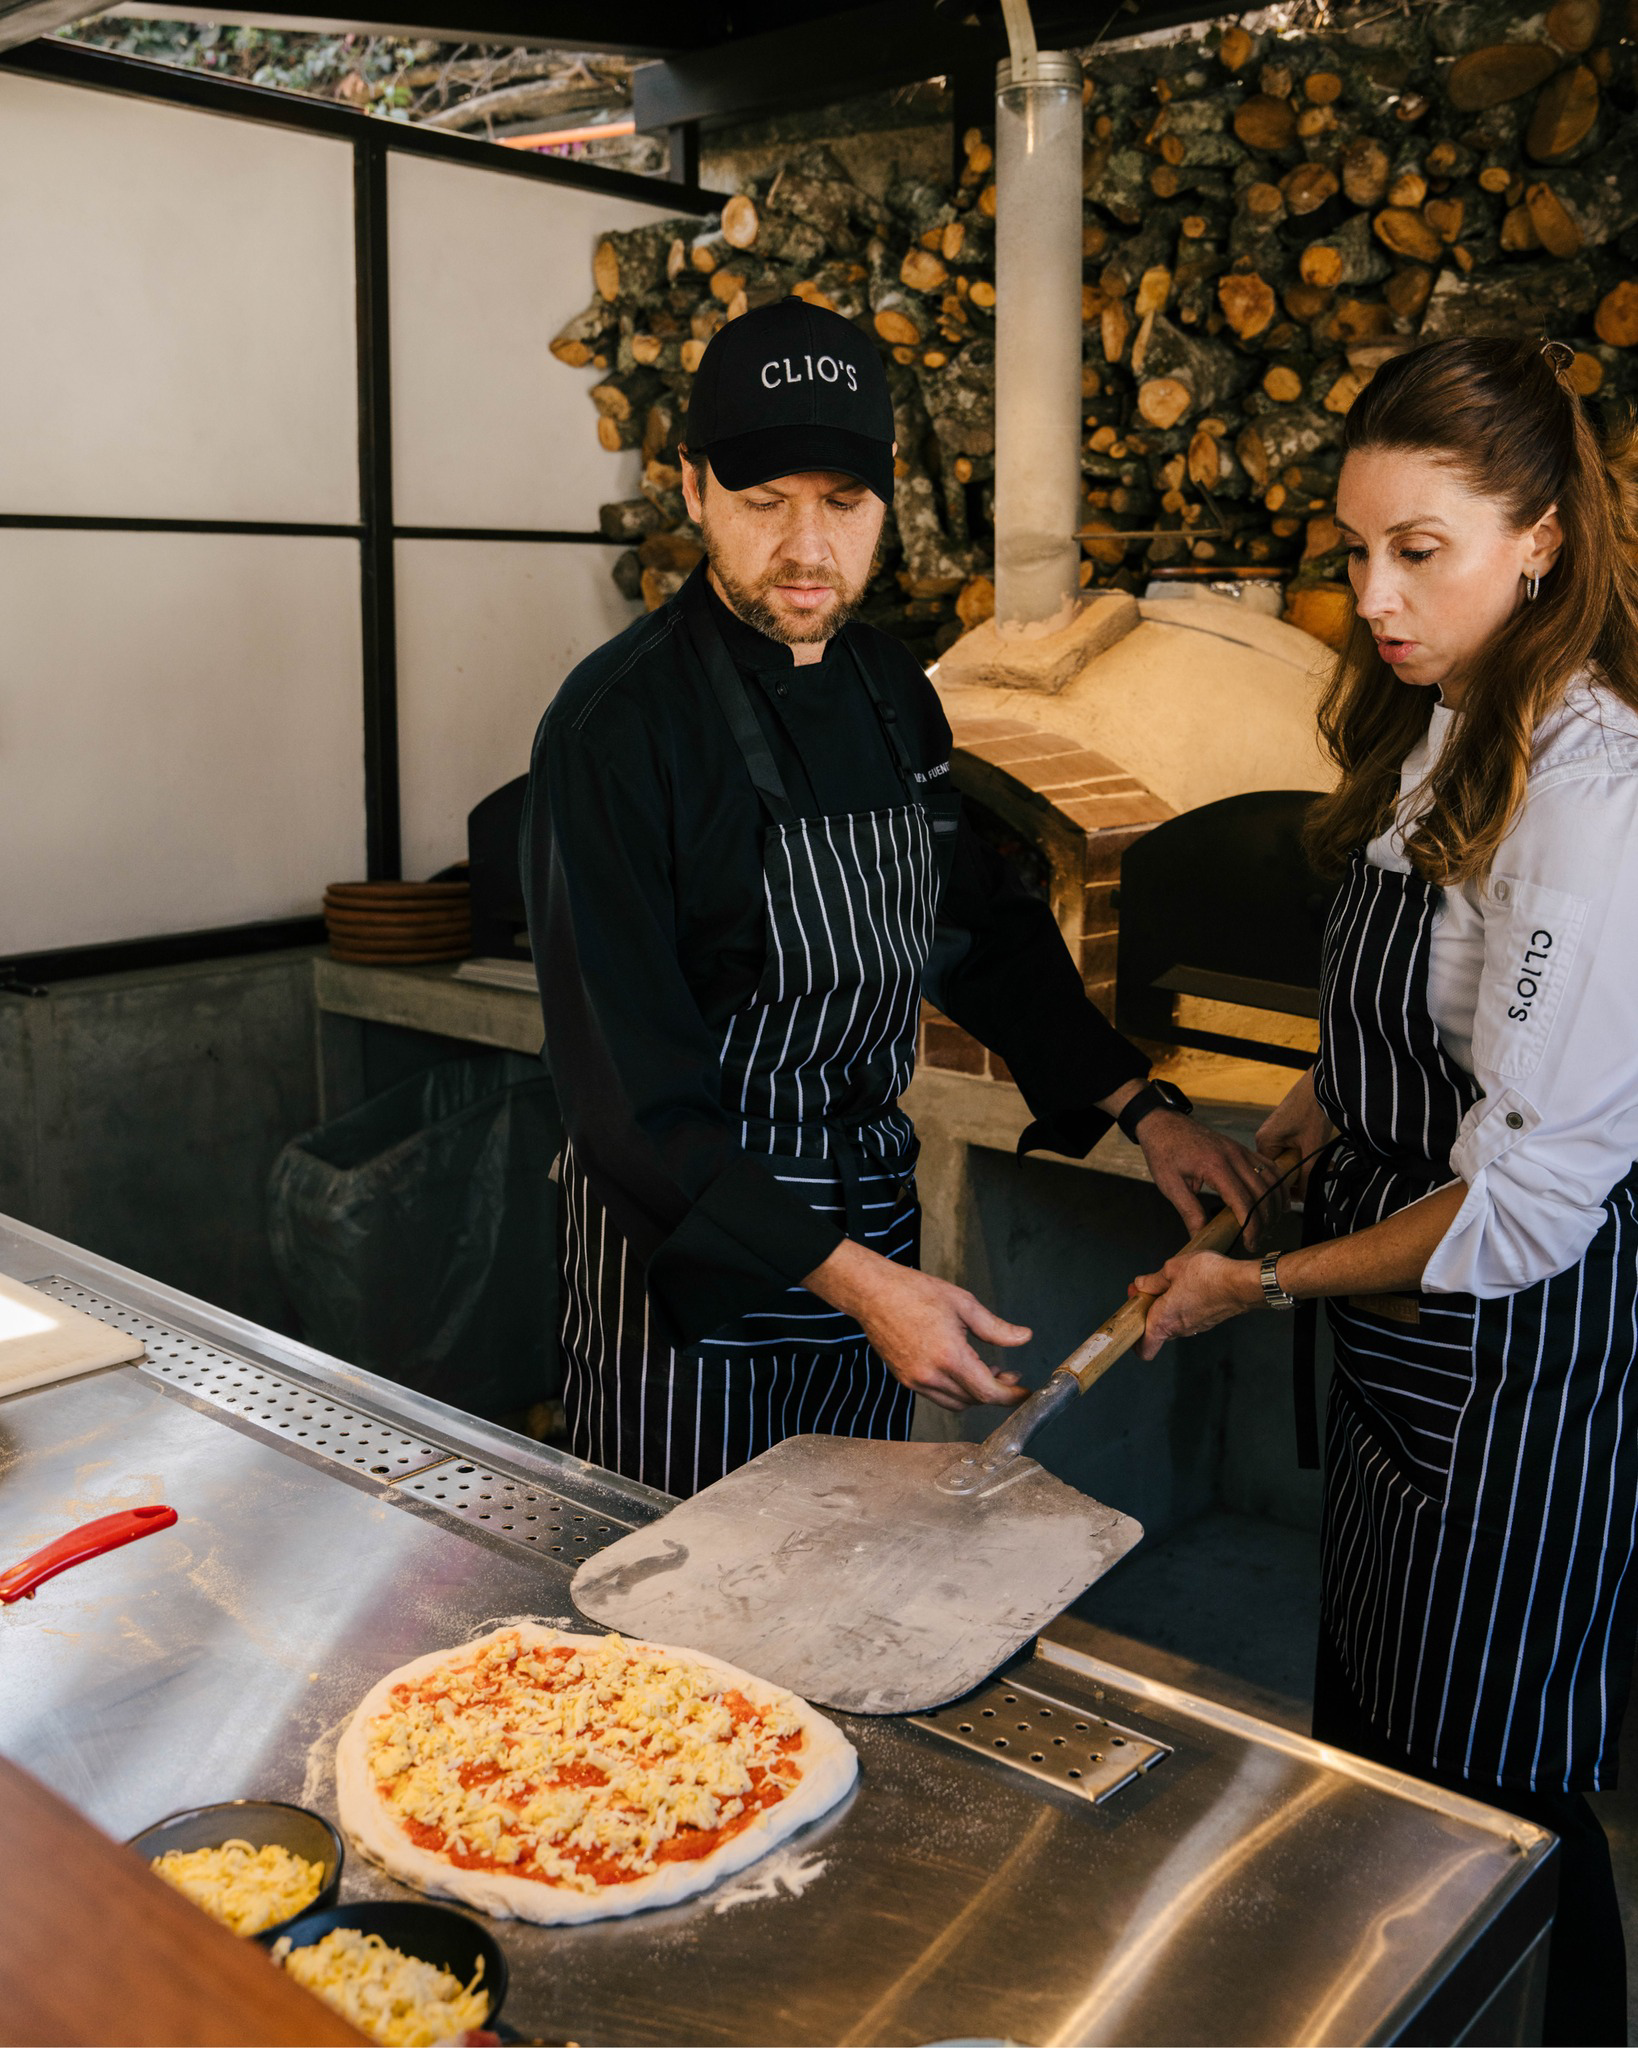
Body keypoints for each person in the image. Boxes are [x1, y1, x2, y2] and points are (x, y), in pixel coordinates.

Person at [522, 294, 1269, 1499]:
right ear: (694, 487)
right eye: (766, 503)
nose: (808, 548)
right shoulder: (615, 731)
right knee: (682, 1602)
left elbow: (979, 927)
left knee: (834, 1563)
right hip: (692, 1262)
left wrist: (1147, 1107)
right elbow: (627, 1100)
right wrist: (858, 1282)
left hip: (872, 1231)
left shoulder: (891, 690)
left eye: (845, 502)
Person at [1128, 335, 1638, 2046]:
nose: (1373, 594)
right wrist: (1307, 1105)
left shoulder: (1587, 799)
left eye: (1418, 549)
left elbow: (1517, 1206)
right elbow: (1411, 1005)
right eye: (1353, 552)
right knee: (1382, 1744)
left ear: (1542, 537)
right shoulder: (1443, 723)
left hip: (1513, 1380)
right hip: (1401, 1370)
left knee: (1497, 1800)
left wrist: (1257, 1285)